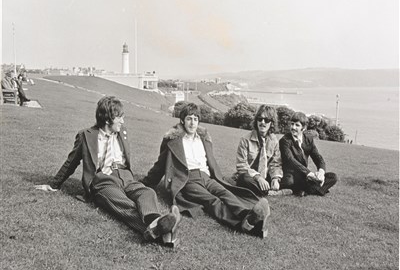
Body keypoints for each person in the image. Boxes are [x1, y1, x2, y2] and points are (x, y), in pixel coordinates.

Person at [35, 96, 181, 246]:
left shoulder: (122, 132)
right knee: (122, 202)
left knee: (147, 192)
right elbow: (71, 162)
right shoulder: (86, 136)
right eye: (119, 118)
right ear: (107, 119)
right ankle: (163, 231)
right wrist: (54, 185)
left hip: (125, 176)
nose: (123, 121)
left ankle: (155, 223)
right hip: (103, 179)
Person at [141, 103, 270, 238]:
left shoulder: (203, 139)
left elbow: (211, 162)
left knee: (224, 192)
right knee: (212, 200)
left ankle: (246, 215)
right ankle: (239, 224)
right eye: (189, 119)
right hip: (187, 179)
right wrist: (146, 182)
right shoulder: (173, 141)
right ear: (182, 121)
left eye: (195, 119)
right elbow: (160, 165)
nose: (192, 123)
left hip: (206, 176)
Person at [233, 104, 291, 197]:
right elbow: (241, 165)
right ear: (256, 121)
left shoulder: (274, 140)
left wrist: (275, 178)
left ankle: (267, 188)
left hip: (266, 175)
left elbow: (275, 163)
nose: (262, 122)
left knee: (288, 180)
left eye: (266, 120)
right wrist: (258, 177)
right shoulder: (245, 139)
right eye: (260, 119)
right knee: (244, 179)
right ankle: (272, 192)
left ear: (271, 123)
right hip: (251, 176)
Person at [279, 112, 338, 196]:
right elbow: (290, 160)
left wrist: (321, 172)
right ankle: (315, 189)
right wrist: (309, 173)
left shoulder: (308, 139)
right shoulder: (285, 140)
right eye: (292, 124)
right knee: (289, 182)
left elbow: (317, 157)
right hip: (291, 174)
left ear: (304, 127)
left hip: (304, 176)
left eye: (297, 125)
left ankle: (307, 190)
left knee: (333, 177)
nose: (293, 127)